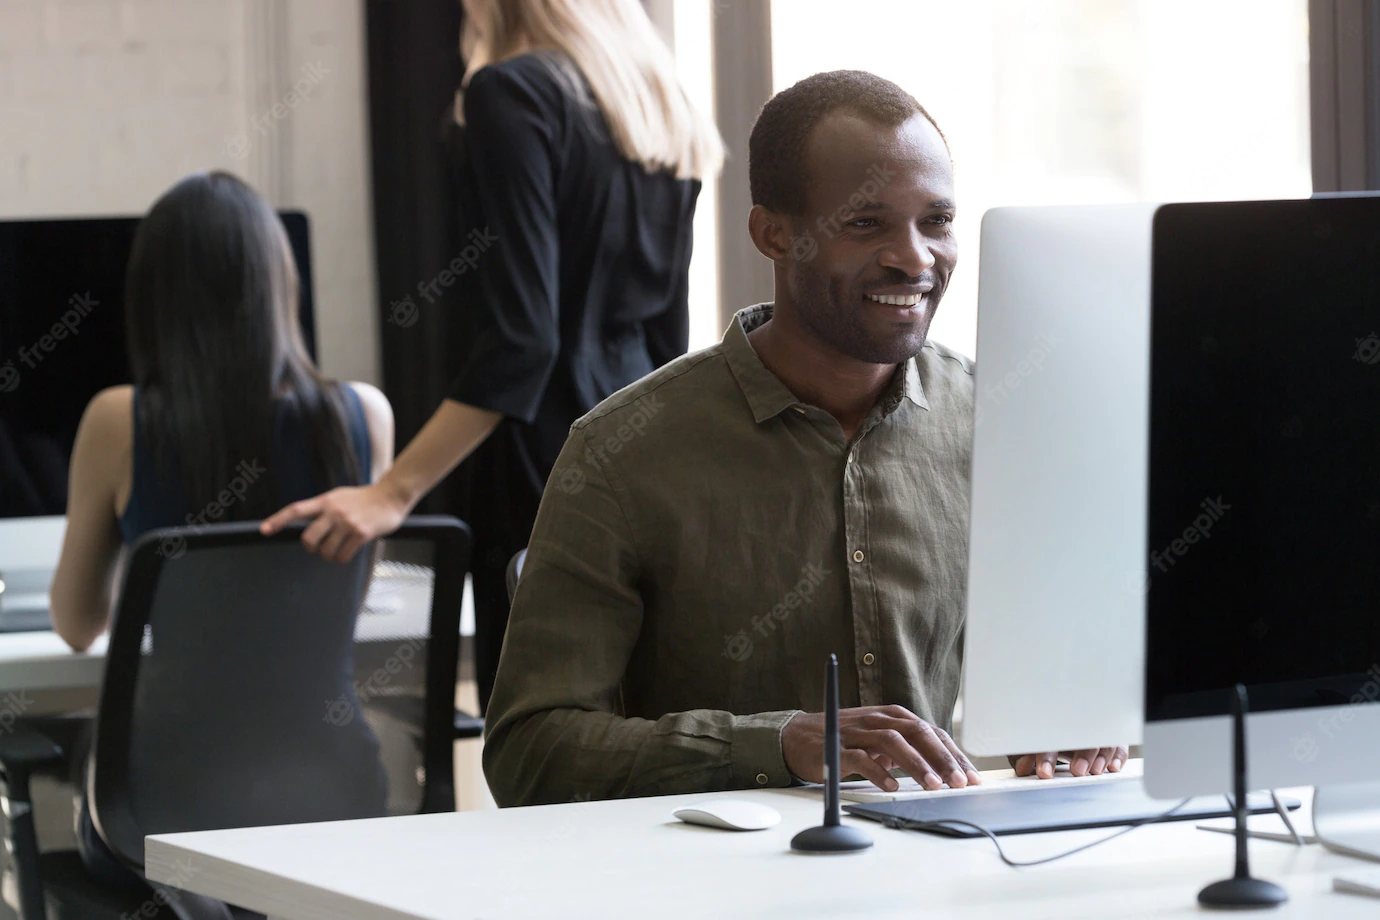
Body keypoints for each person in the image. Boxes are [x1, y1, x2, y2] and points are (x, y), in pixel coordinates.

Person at [481, 71, 1128, 806]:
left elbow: (1064, 677)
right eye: (865, 223)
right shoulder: (619, 454)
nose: (915, 258)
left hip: (943, 871)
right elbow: (527, 752)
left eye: (937, 222)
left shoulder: (1003, 421)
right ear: (773, 233)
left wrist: (1074, 722)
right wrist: (777, 745)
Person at [259, 0, 723, 710]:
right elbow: (669, 337)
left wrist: (391, 493)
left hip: (541, 469)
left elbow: (524, 341)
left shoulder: (510, 92)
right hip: (646, 463)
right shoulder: (661, 106)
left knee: (543, 743)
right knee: (640, 736)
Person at [47, 171, 392, 885]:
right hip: (334, 798)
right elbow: (346, 600)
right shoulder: (366, 416)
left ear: (153, 298)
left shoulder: (118, 421)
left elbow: (78, 626)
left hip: (162, 814)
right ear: (279, 285)